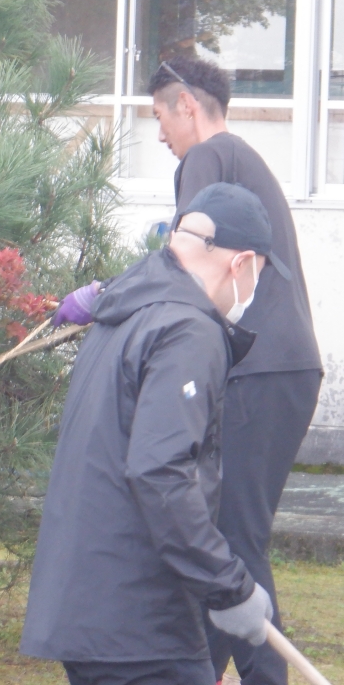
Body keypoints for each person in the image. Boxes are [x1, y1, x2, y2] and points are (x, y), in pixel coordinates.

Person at [22, 182, 285, 685]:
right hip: (138, 623)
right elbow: (160, 472)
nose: (254, 291)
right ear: (241, 262)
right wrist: (230, 589)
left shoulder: (127, 312)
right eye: (260, 277)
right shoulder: (189, 330)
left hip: (97, 610)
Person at [147, 56, 322, 685]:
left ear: (186, 105)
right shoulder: (239, 156)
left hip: (261, 366)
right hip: (277, 367)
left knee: (233, 542)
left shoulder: (209, 155)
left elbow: (186, 263)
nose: (160, 133)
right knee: (224, 533)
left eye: (161, 116)